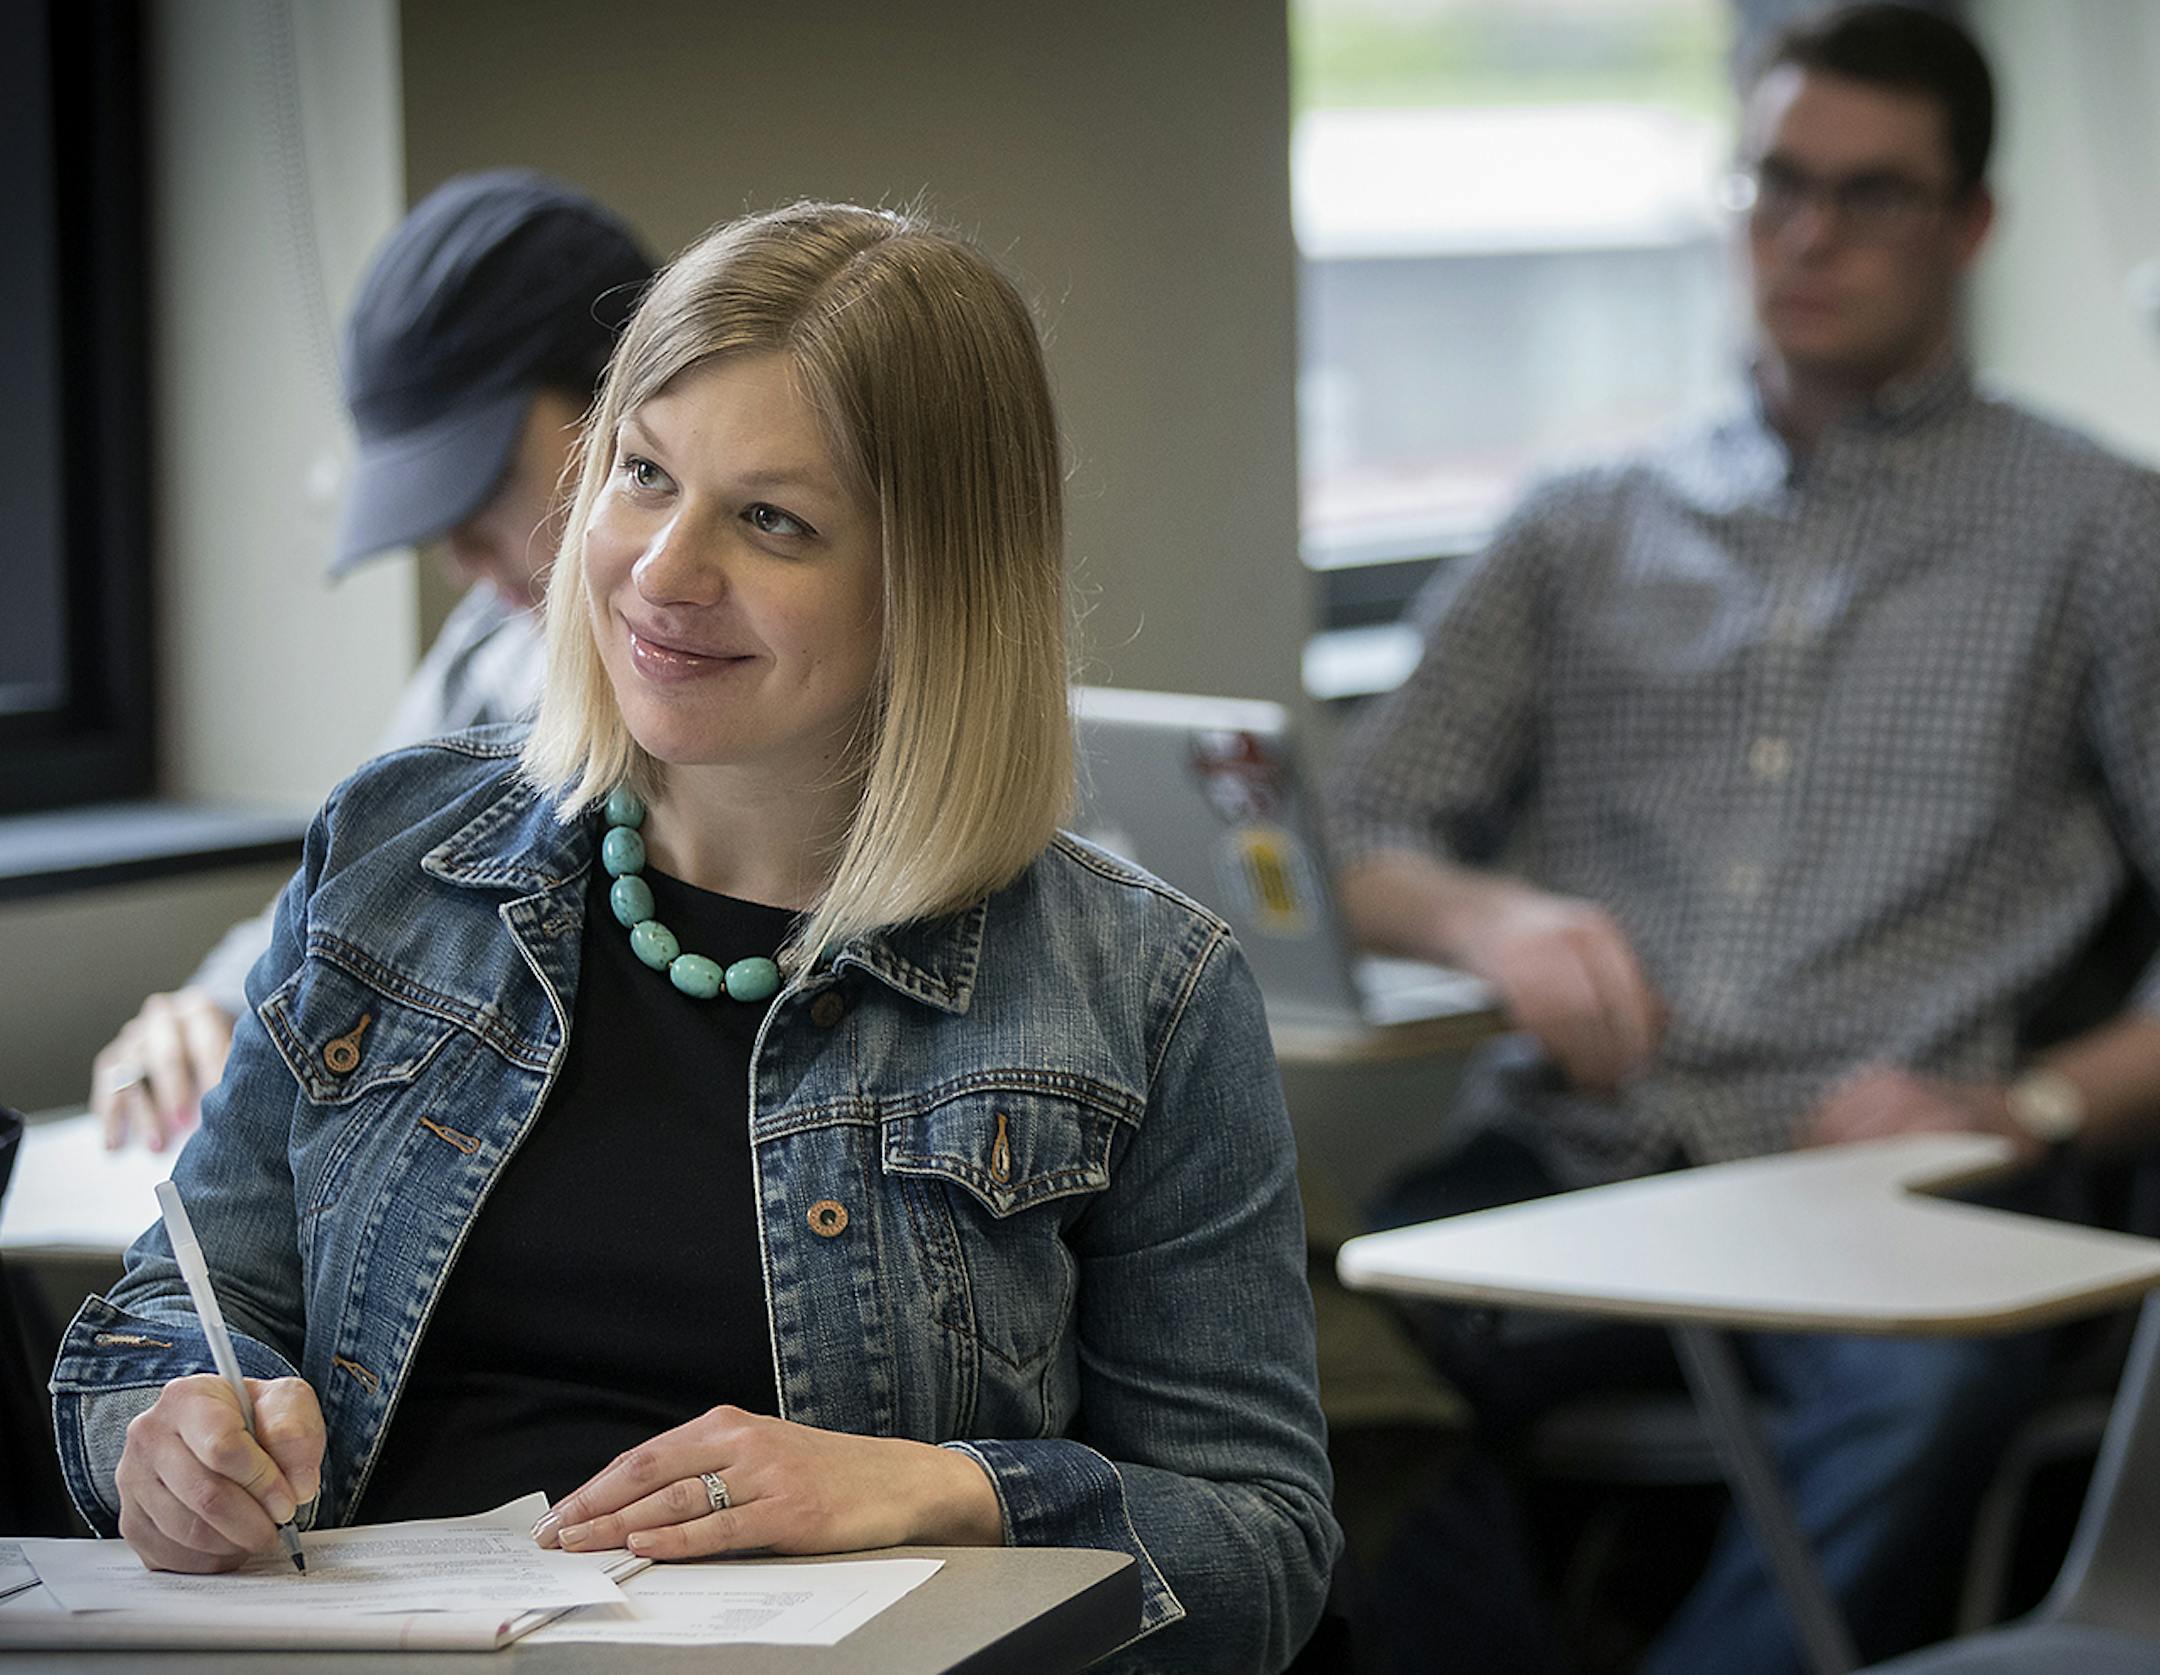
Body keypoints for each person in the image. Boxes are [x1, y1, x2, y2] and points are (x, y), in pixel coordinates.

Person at [49, 202, 1340, 1674]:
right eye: (644, 473)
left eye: (772, 518)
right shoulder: (395, 854)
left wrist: (952, 1489)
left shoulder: (1140, 990)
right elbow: (184, 1302)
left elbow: (1264, 1548)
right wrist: (169, 1431)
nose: (663, 568)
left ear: (935, 578)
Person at [1326, 4, 2160, 1670]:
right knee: (1271, 1359)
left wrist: (2033, 1105)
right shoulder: (1582, 522)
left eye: (1871, 194)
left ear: (1970, 225)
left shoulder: (2099, 529)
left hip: (1882, 1185)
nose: (1809, 234)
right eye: (1777, 182)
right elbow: (1357, 832)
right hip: (1579, 1163)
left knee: (1921, 1396)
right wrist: (1488, 922)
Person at [87, 170, 653, 1153]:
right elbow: (347, 874)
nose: (463, 560)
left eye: (483, 490)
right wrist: (214, 1007)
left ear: (631, 403)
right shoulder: (493, 651)